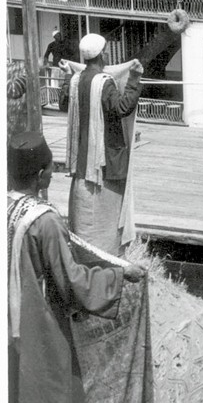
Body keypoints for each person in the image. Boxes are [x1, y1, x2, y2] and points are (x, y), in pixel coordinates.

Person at [7, 131, 145, 403]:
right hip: (38, 323)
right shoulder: (44, 220)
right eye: (50, 169)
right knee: (54, 394)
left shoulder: (3, 207)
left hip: (6, 317)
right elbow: (73, 282)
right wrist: (118, 276)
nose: (52, 175)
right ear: (40, 175)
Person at [66, 33, 143, 255]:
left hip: (82, 158)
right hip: (104, 161)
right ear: (102, 55)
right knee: (105, 212)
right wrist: (134, 80)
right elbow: (122, 108)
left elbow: (64, 103)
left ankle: (83, 249)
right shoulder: (104, 82)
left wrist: (65, 77)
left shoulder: (75, 80)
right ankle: (107, 252)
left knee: (85, 210)